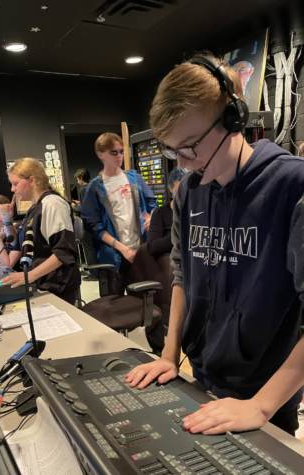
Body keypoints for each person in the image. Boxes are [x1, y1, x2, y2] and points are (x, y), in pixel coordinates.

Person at [126, 53, 304, 437]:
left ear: (233, 119)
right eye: (174, 151)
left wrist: (261, 405)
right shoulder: (190, 192)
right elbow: (180, 275)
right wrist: (170, 355)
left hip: (264, 404)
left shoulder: (293, 186)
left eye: (190, 147)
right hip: (201, 383)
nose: (184, 163)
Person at [82, 133, 157, 296]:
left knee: (142, 302)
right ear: (101, 154)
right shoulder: (95, 188)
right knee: (114, 305)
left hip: (140, 251)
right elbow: (94, 227)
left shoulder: (135, 179)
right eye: (113, 152)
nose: (119, 156)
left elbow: (152, 203)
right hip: (113, 257)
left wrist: (151, 216)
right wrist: (123, 249)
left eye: (121, 151)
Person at [0, 158, 81, 305]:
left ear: (32, 180)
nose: (12, 189)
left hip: (56, 287)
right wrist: (7, 220)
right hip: (42, 283)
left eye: (15, 183)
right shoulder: (35, 207)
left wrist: (30, 276)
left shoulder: (53, 204)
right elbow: (21, 245)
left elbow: (64, 252)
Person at [147, 167, 185, 258]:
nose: (184, 196)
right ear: (170, 188)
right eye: (180, 192)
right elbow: (151, 247)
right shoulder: (160, 213)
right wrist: (179, 235)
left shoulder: (197, 212)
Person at [72, 168, 98, 282]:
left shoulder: (82, 189)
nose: (77, 181)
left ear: (81, 178)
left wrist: (74, 207)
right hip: (97, 222)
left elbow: (83, 209)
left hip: (88, 223)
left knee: (88, 249)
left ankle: (93, 273)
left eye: (78, 179)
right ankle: (99, 270)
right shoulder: (94, 187)